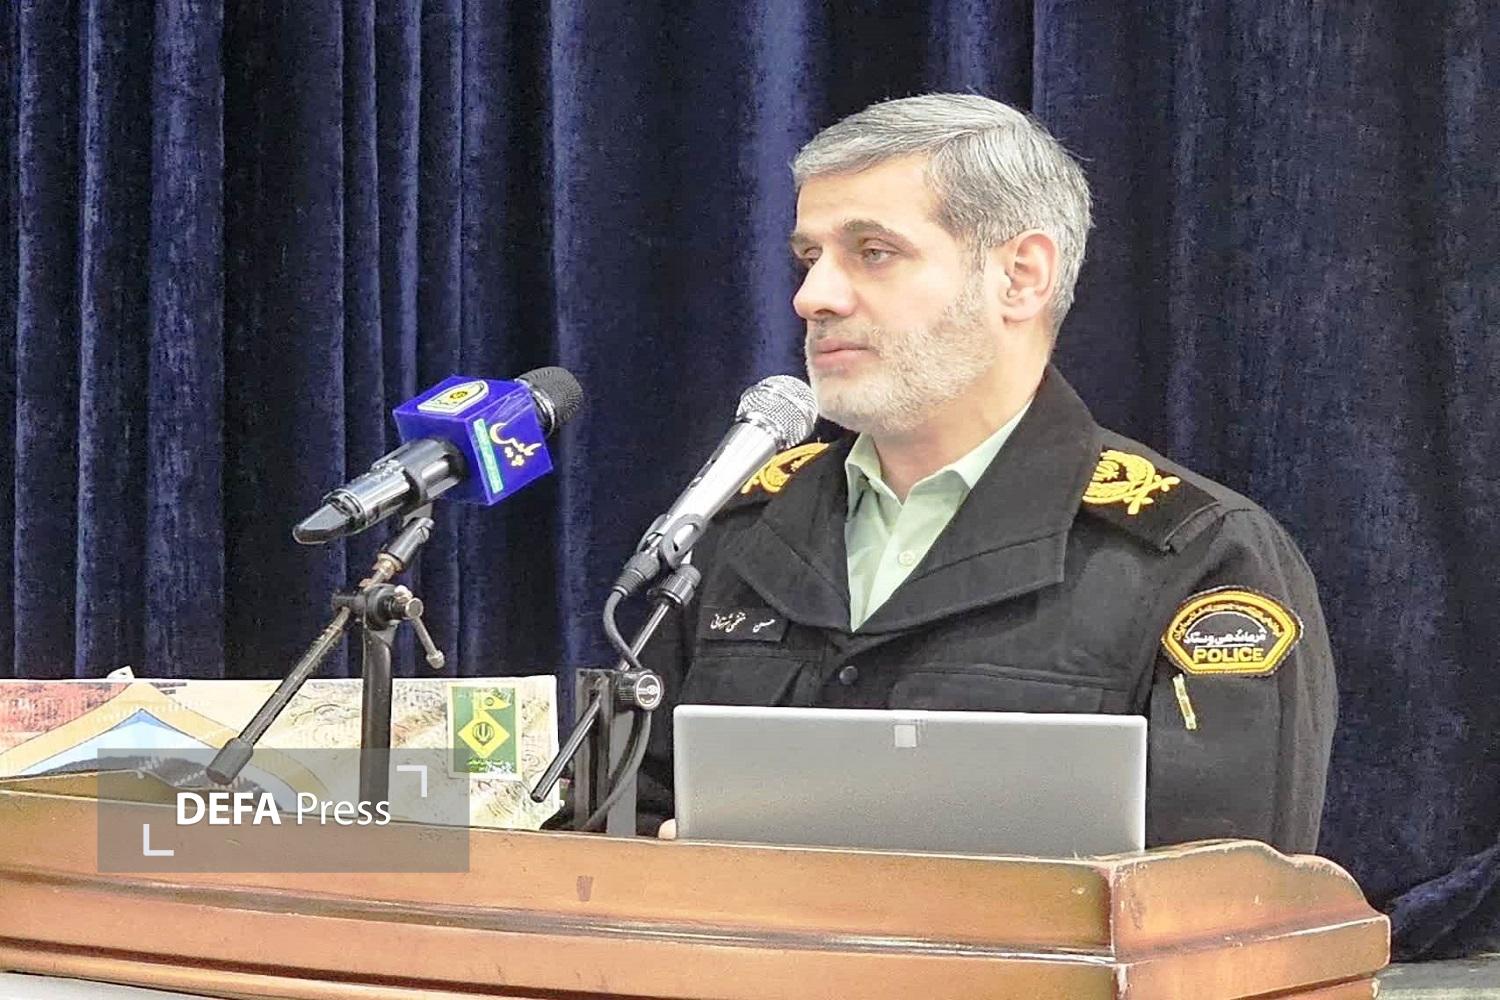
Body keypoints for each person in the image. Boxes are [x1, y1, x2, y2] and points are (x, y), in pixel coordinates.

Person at [637, 93, 1337, 854]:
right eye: (810, 259)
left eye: (873, 252)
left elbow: (1227, 894)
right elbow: (622, 815)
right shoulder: (735, 533)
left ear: (1020, 277)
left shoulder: (1193, 555)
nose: (813, 298)